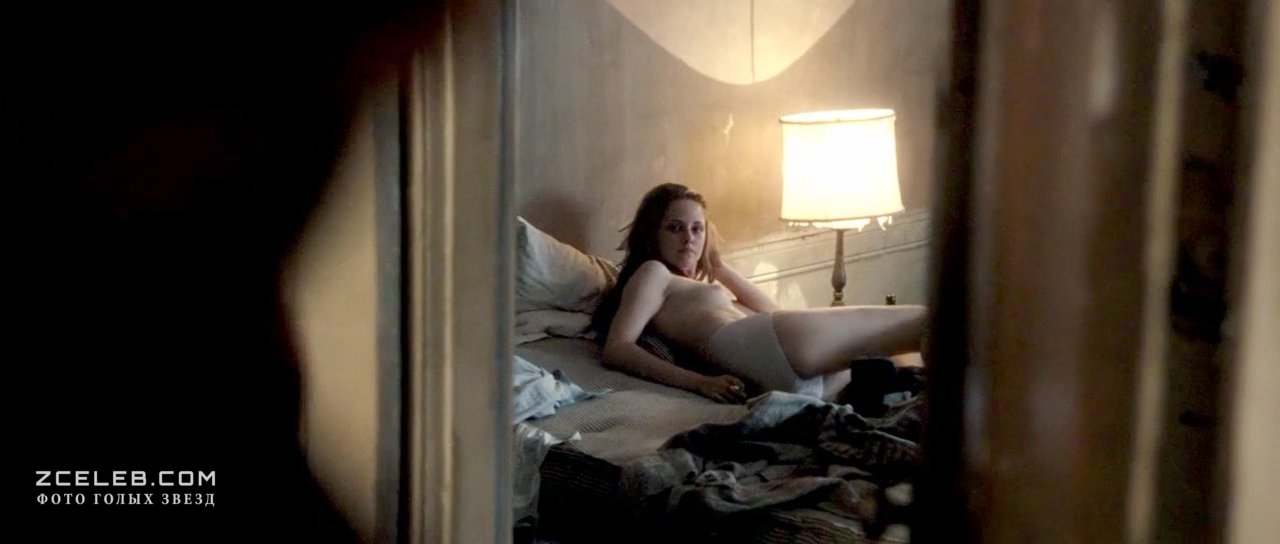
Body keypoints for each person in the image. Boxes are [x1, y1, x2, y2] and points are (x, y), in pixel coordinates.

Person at [591, 183, 928, 403]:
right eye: (675, 228)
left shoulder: (699, 284)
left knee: (906, 359)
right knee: (924, 321)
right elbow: (617, 348)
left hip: (787, 371)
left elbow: (771, 310)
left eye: (697, 229)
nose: (689, 239)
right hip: (761, 348)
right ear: (653, 233)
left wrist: (718, 267)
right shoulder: (654, 273)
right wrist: (699, 383)